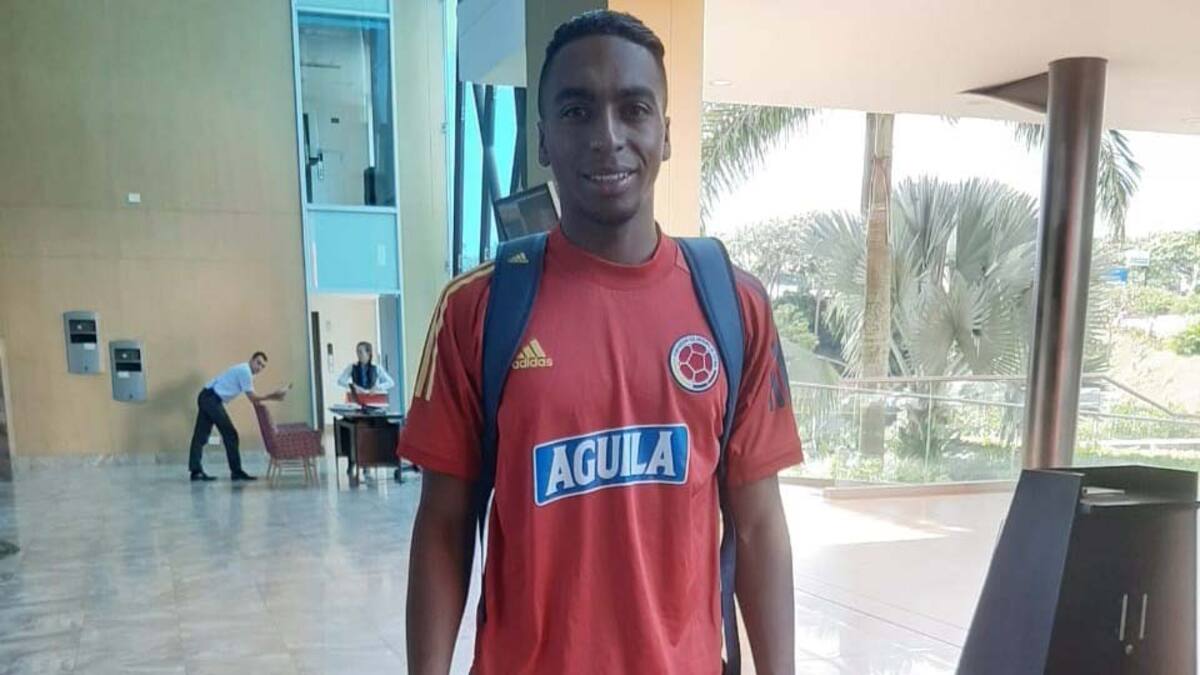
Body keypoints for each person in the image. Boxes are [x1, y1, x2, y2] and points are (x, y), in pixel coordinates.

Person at [399, 10, 802, 675]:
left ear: (665, 134)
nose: (607, 137)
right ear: (543, 139)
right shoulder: (478, 309)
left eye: (634, 109)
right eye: (577, 111)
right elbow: (443, 526)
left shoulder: (735, 306)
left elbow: (759, 527)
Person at [188, 351, 290, 482]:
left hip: (208, 397)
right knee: (230, 434)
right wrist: (273, 396)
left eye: (262, 366)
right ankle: (236, 472)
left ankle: (196, 472)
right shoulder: (245, 371)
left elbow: (254, 399)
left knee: (201, 436)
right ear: (251, 360)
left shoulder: (244, 371)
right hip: (211, 399)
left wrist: (271, 397)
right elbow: (253, 398)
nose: (259, 368)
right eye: (258, 363)